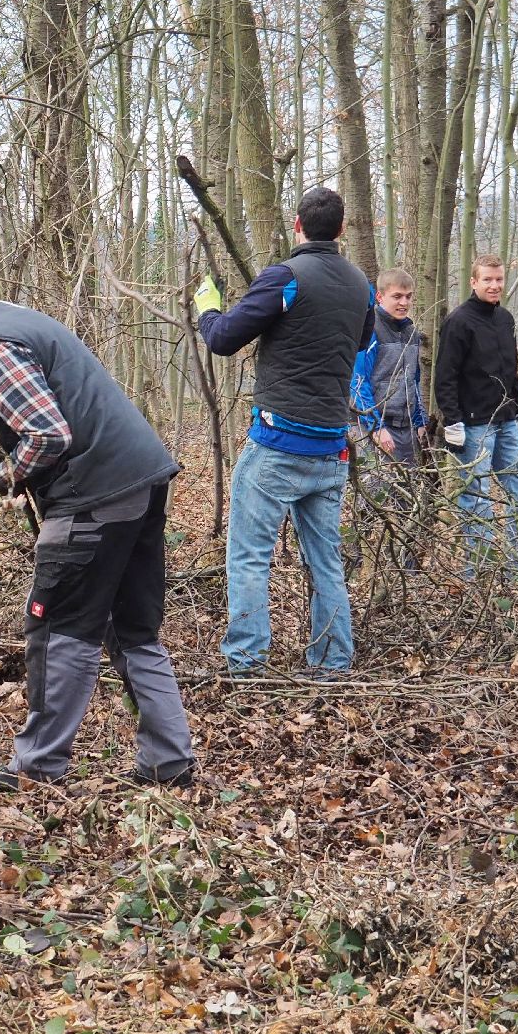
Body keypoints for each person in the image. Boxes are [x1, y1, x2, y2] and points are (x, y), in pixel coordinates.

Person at [0, 271, 197, 791]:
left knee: (57, 630)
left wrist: (1, 475)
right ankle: (168, 761)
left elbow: (47, 434)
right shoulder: (15, 320)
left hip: (94, 496)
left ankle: (36, 769)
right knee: (133, 631)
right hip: (138, 481)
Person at [194, 186, 374, 678]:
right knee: (326, 561)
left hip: (277, 444)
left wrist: (208, 306)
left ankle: (247, 663)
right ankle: (333, 662)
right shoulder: (362, 286)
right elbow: (362, 341)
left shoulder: (286, 277)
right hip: (331, 447)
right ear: (341, 230)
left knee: (249, 556)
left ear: (297, 225)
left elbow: (223, 339)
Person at [434, 254, 518, 571]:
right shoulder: (458, 322)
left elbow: (510, 371)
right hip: (473, 426)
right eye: (487, 280)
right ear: (473, 282)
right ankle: (477, 572)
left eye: (499, 279)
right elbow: (445, 376)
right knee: (476, 500)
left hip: (507, 422)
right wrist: (452, 421)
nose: (494, 285)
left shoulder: (505, 319)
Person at [350, 267, 429, 569]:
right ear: (381, 297)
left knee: (409, 500)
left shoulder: (411, 333)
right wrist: (375, 427)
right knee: (371, 498)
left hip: (406, 426)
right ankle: (359, 565)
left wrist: (420, 421)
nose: (403, 302)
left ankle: (407, 570)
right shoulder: (369, 330)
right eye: (397, 296)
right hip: (372, 427)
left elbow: (414, 380)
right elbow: (357, 381)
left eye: (408, 297)